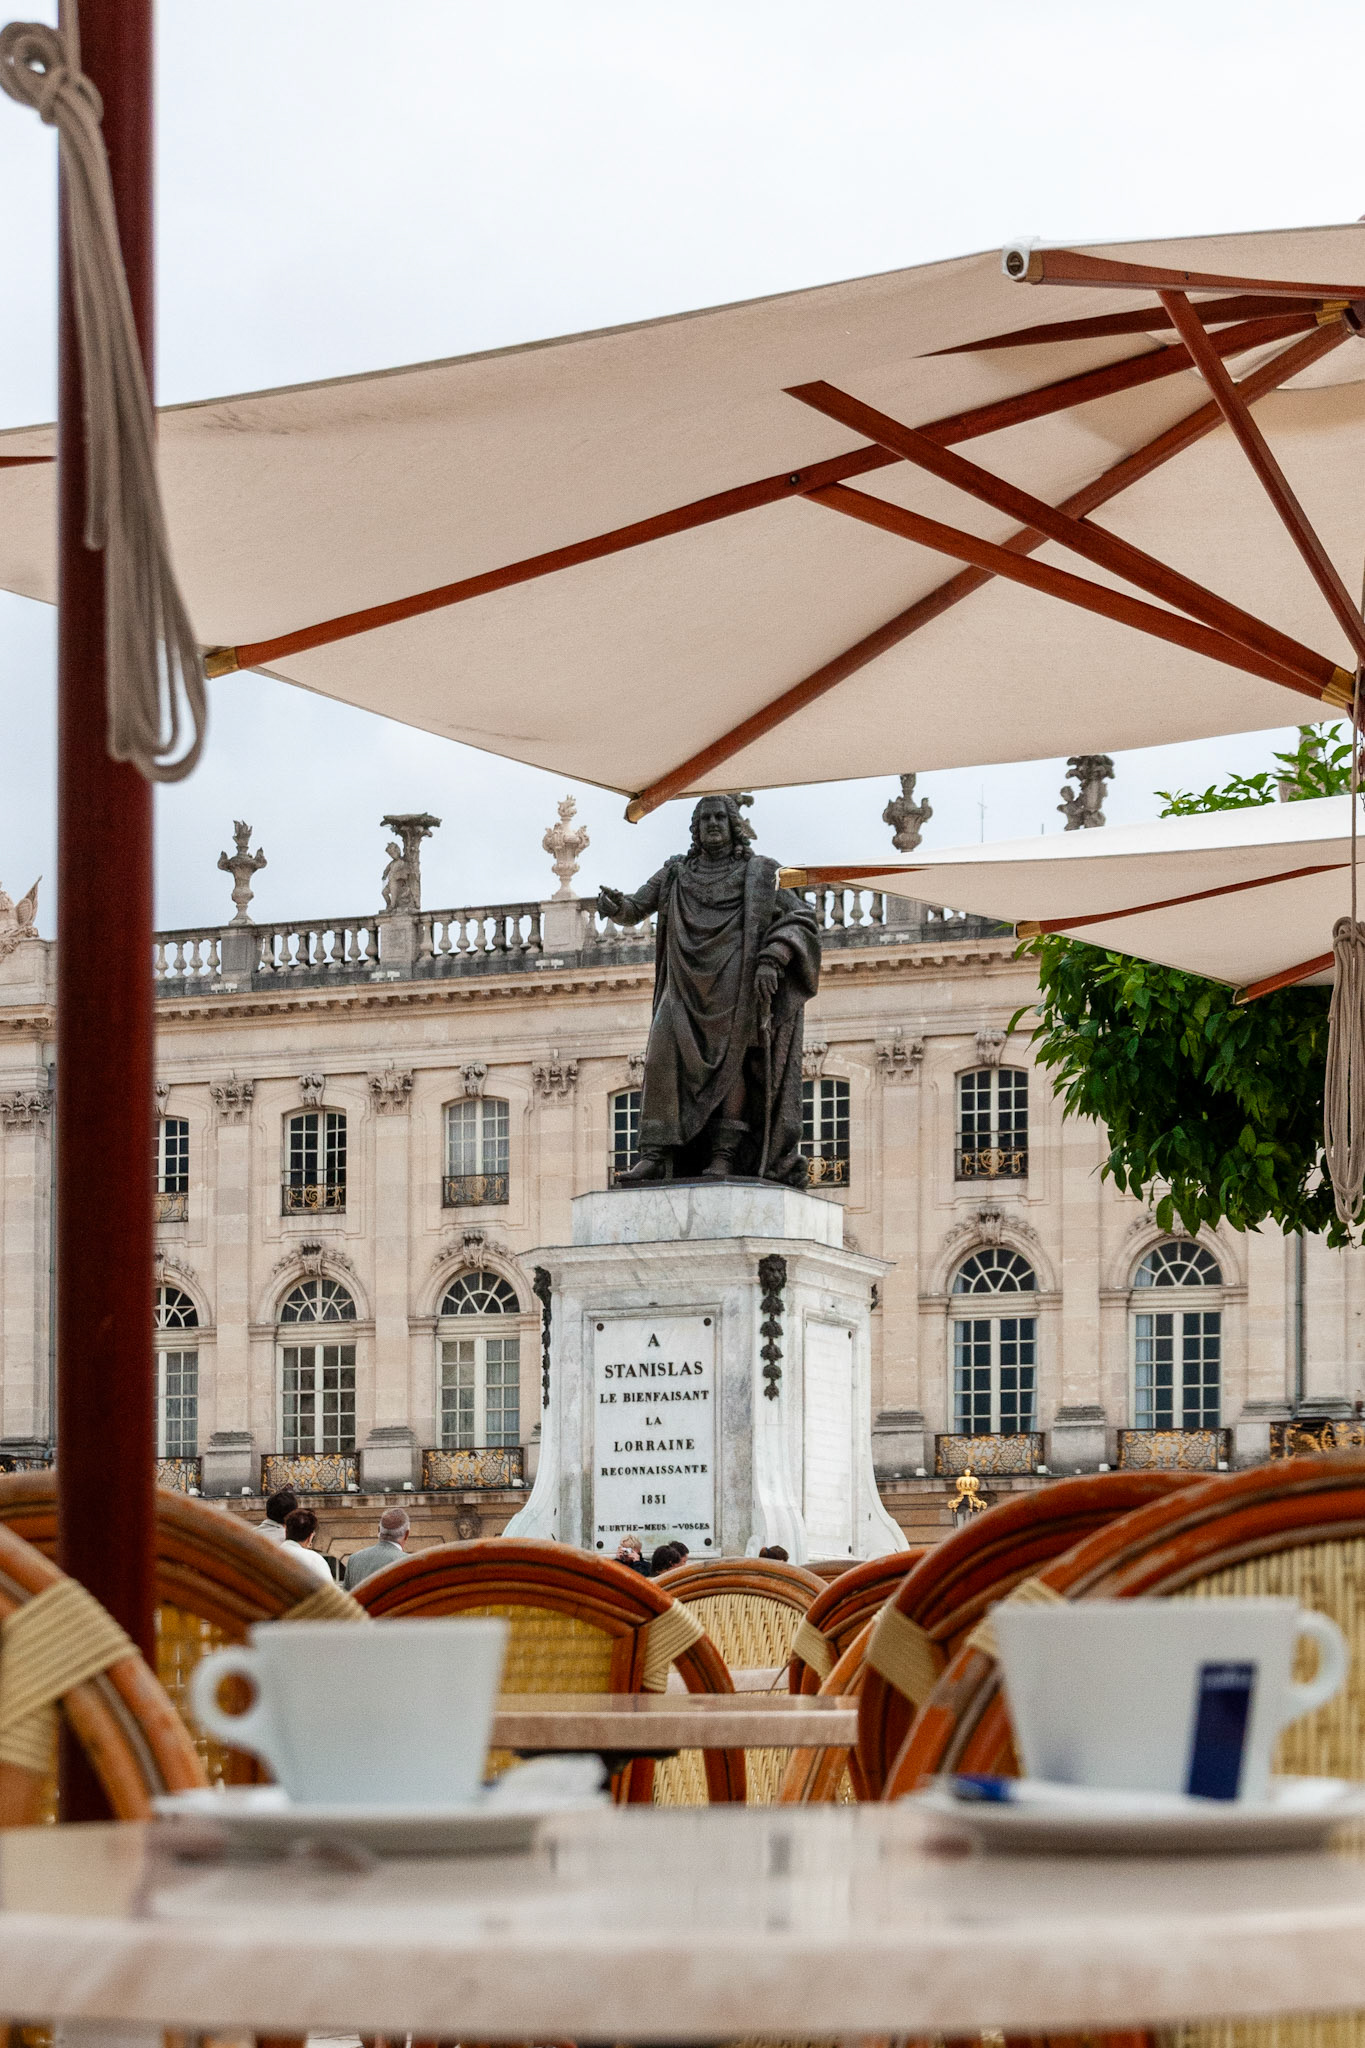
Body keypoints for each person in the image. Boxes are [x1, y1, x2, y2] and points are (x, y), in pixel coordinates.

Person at [597, 794, 820, 1183]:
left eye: (720, 817)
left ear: (734, 824)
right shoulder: (675, 873)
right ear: (695, 829)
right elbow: (635, 909)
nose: (713, 824)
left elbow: (801, 917)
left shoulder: (761, 873)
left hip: (736, 982)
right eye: (704, 819)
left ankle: (724, 1154)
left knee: (732, 1065)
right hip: (683, 983)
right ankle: (656, 1153)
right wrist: (615, 906)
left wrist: (773, 957)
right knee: (661, 1057)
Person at [344, 1507, 411, 1590]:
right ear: (407, 1534)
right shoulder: (409, 1563)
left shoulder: (354, 1559)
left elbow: (346, 1597)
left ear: (379, 1530)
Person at [280, 1506, 333, 1583]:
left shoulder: (270, 1555)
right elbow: (329, 1592)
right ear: (310, 1536)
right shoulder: (315, 1560)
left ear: (285, 1531)